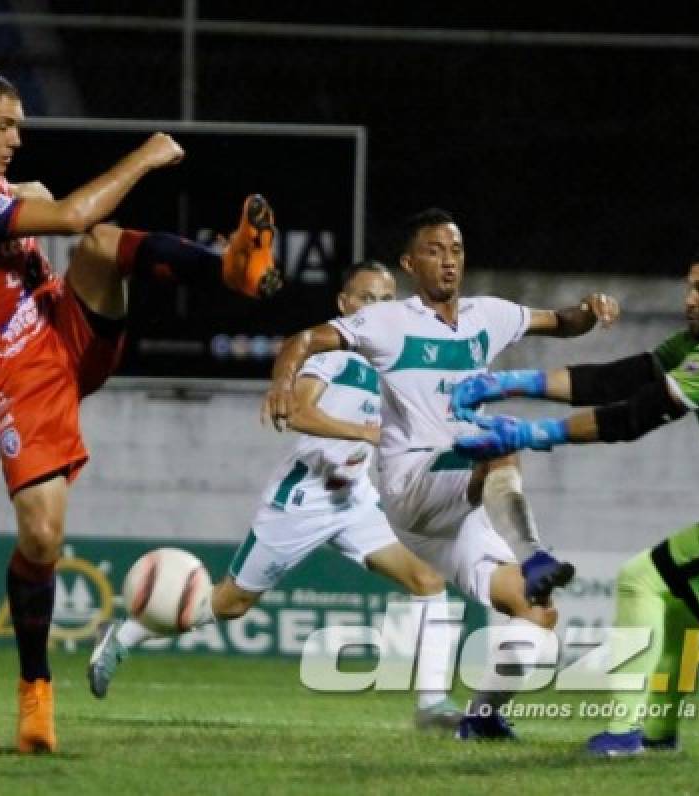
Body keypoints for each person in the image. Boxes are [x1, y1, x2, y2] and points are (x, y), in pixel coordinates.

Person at [0, 68, 278, 754]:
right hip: (19, 370)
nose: (17, 138)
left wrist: (22, 193)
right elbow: (70, 209)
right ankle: (35, 691)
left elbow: (47, 206)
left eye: (20, 124)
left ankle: (231, 269)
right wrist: (144, 155)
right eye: (5, 125)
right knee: (44, 538)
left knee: (101, 246)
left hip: (64, 328)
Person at [450, 242, 699, 756]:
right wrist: (512, 383)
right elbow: (619, 378)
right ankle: (657, 737)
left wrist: (527, 436)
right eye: (689, 286)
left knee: (642, 577)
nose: (689, 298)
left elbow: (635, 417)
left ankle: (623, 734)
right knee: (676, 610)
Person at [261, 208, 619, 738]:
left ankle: (481, 718)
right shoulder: (389, 320)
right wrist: (282, 383)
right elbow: (303, 339)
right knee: (500, 440)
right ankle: (535, 554)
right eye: (434, 250)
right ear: (410, 263)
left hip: (461, 507)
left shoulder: (486, 316)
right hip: (413, 483)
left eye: (455, 251)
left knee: (538, 615)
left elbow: (559, 322)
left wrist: (590, 312)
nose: (448, 261)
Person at [88, 261, 469, 728]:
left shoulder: (392, 363)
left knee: (428, 580)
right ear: (345, 306)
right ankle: (125, 635)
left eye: (386, 299)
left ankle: (432, 706)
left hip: (354, 501)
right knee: (229, 605)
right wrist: (364, 433)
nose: (378, 308)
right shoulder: (333, 357)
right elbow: (297, 414)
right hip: (302, 500)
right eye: (367, 299)